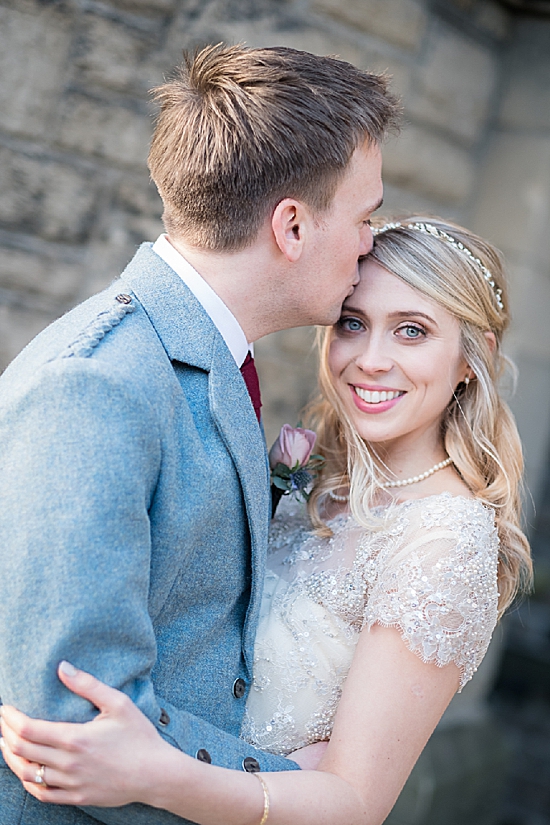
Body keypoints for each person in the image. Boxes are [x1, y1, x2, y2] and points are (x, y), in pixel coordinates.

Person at [0, 217, 532, 825]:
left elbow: (354, 804)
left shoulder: (446, 543)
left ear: (473, 357)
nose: (371, 360)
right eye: (352, 324)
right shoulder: (317, 476)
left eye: (412, 331)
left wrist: (160, 774)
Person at [0, 44, 399, 825]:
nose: (369, 243)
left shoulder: (202, 360)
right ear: (291, 225)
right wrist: (281, 780)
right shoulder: (97, 385)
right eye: (362, 216)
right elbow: (73, 720)